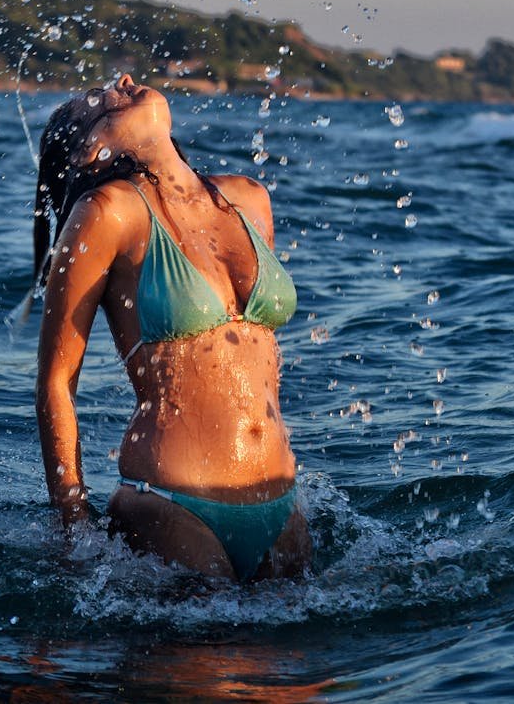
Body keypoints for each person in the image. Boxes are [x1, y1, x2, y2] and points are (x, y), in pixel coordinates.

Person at [34, 73, 310, 581]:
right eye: (98, 101)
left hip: (281, 506)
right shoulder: (106, 215)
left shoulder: (250, 199)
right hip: (170, 503)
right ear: (91, 150)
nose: (122, 80)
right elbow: (56, 383)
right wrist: (73, 528)